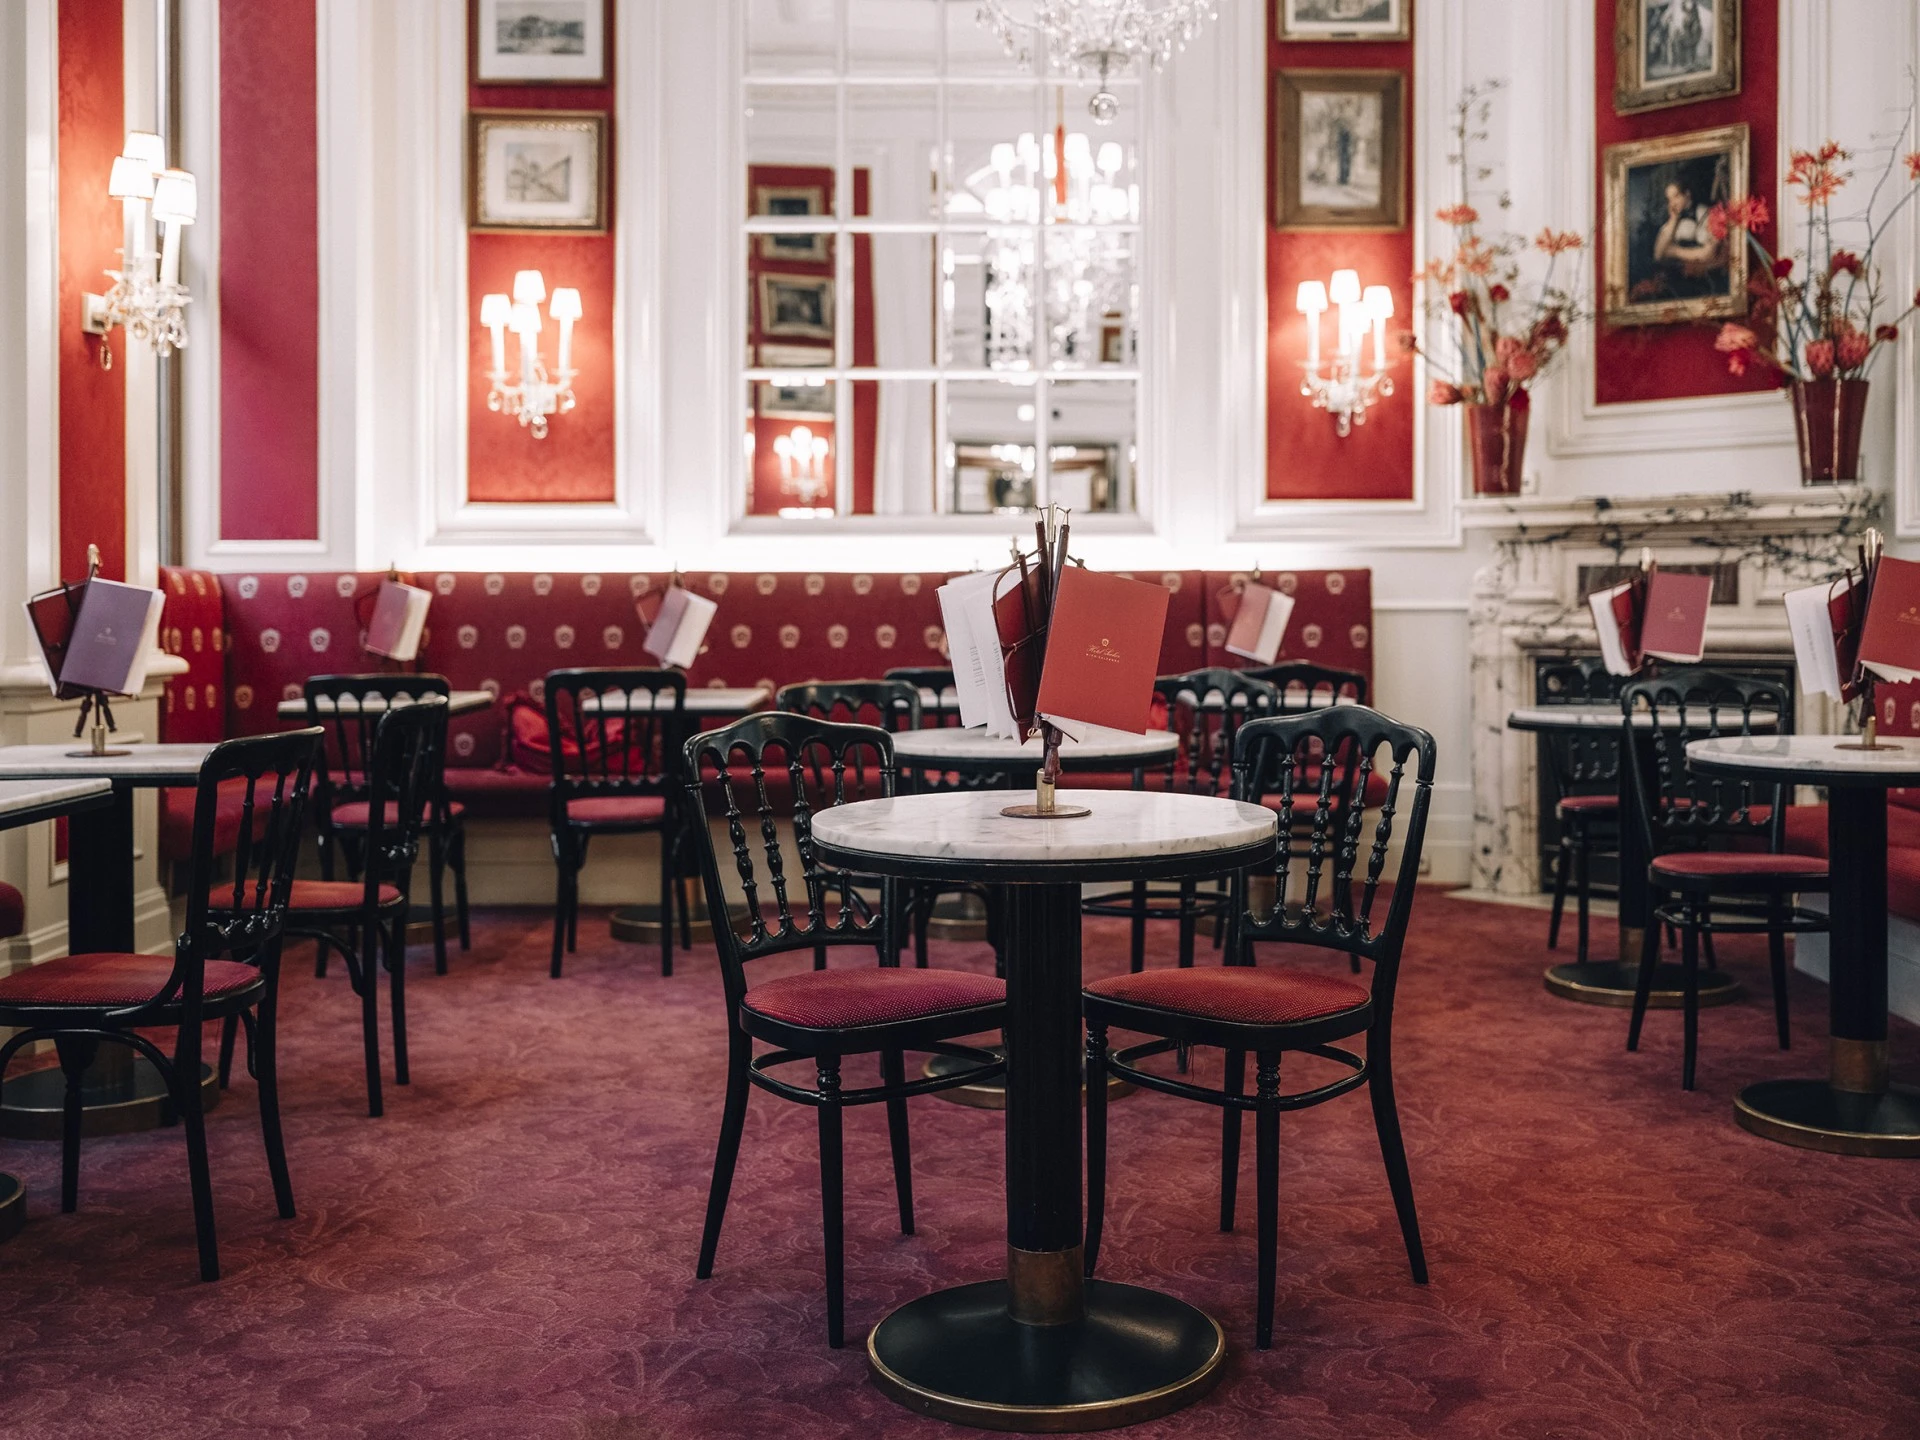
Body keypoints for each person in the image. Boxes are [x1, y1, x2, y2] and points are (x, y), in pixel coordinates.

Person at [1647, 171, 1725, 299]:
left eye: (1676, 196)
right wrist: (1673, 219)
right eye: (1669, 199)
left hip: (1710, 283)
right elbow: (1658, 254)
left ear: (1687, 194)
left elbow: (1708, 253)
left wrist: (1674, 251)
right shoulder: (1673, 221)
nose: (1672, 203)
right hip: (1680, 286)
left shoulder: (1708, 213)